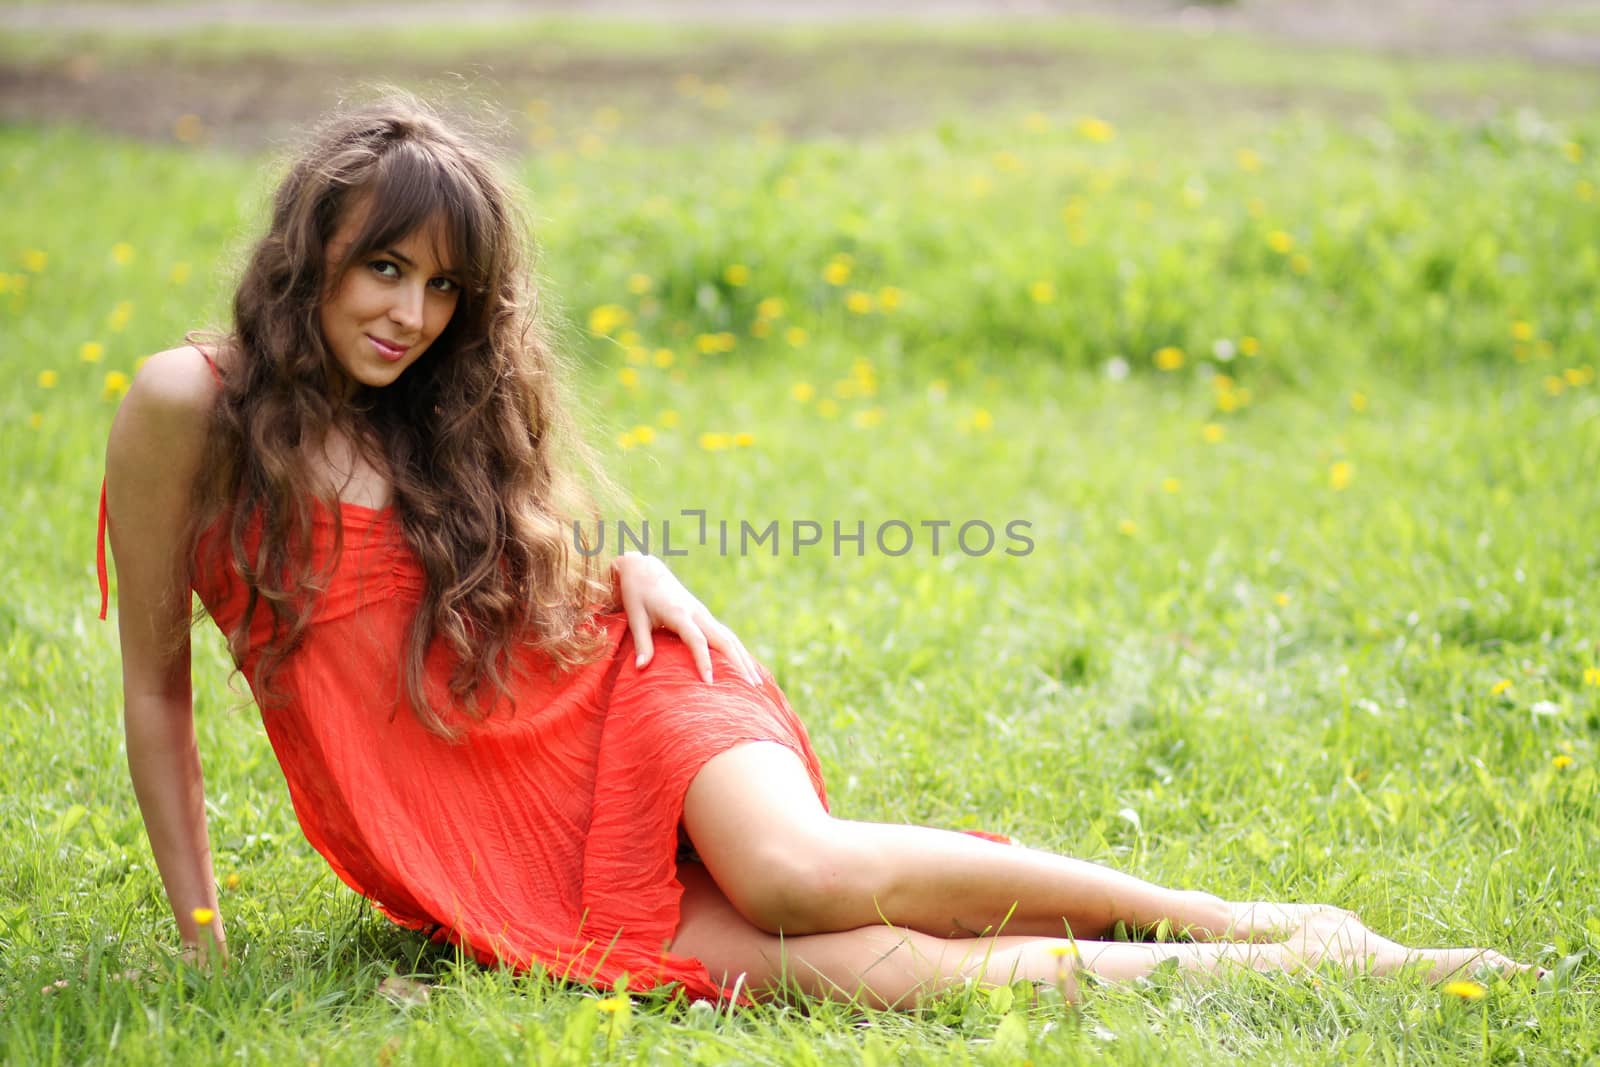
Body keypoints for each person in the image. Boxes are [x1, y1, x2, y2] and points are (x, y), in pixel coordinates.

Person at [100, 94, 1532, 1010]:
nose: (410, 315)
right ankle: (1291, 976)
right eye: (383, 268)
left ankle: (1246, 920)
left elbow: (542, 549)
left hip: (630, 699)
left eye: (441, 290)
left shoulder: (438, 413)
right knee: (829, 973)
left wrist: (630, 570)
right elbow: (157, 688)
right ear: (312, 257)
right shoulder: (194, 406)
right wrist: (202, 929)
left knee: (788, 875)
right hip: (494, 825)